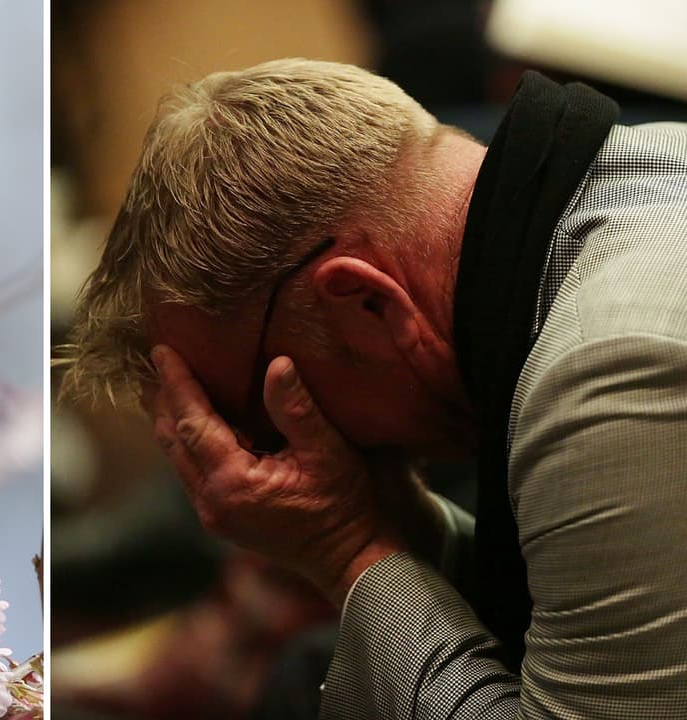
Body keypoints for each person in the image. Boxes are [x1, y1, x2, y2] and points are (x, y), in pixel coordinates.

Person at [59, 58, 687, 717]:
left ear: (366, 303)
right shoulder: (649, 163)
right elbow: (571, 615)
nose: (263, 454)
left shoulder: (609, 369)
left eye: (256, 422)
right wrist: (400, 527)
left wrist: (347, 546)